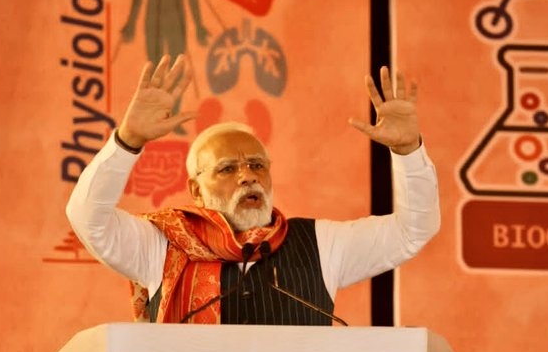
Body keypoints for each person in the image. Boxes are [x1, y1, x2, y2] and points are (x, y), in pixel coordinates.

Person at [66, 54, 440, 325]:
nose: (247, 176)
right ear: (196, 190)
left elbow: (412, 231)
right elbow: (88, 219)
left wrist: (408, 152)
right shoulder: (161, 245)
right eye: (228, 168)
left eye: (257, 165)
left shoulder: (320, 245)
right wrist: (127, 141)